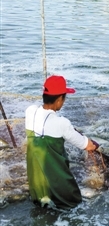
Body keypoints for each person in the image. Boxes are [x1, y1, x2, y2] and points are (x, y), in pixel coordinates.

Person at [25, 75, 98, 210]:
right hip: (57, 188)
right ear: (59, 99)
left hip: (36, 187)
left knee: (44, 210)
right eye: (64, 98)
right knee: (75, 205)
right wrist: (94, 144)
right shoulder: (62, 123)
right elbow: (87, 145)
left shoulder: (30, 111)